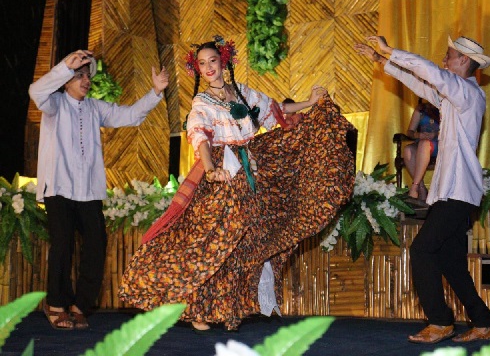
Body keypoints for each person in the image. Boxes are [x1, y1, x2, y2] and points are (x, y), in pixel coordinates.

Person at [119, 36, 355, 331]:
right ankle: (197, 309)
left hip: (250, 166)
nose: (208, 68)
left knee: (245, 241)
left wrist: (310, 102)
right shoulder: (201, 102)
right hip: (223, 172)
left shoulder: (242, 93)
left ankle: (221, 306)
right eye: (202, 63)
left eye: (213, 61)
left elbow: (274, 110)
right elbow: (199, 135)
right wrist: (210, 169)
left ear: (224, 62)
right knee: (214, 243)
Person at [354, 35, 490, 344]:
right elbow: (422, 85)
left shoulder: (469, 93)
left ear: (462, 60)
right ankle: (484, 322)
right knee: (450, 262)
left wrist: (389, 49)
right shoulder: (456, 96)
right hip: (452, 192)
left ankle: (440, 321)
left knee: (422, 250)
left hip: (459, 192)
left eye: (449, 56)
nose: (444, 60)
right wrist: (383, 62)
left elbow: (429, 72)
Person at [29, 50, 168, 330]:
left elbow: (129, 115)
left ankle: (80, 306)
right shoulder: (54, 103)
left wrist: (155, 92)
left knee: (96, 246)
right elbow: (35, 89)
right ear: (66, 80)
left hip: (89, 191)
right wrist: (65, 66)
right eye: (78, 76)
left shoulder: (95, 108)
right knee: (63, 245)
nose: (85, 80)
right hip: (58, 186)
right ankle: (55, 304)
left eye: (87, 76)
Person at [403, 99, 440, 201]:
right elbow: (410, 132)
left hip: (439, 144)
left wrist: (435, 134)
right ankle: (421, 188)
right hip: (421, 142)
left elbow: (450, 129)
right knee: (407, 150)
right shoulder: (421, 109)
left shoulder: (445, 106)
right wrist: (418, 134)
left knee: (424, 144)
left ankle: (414, 188)